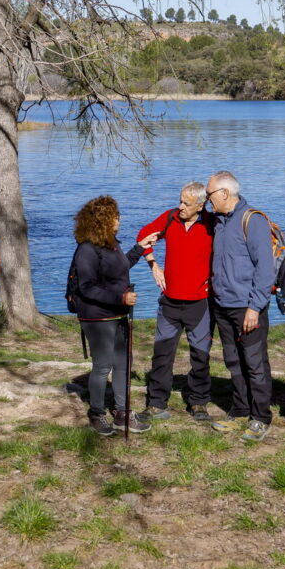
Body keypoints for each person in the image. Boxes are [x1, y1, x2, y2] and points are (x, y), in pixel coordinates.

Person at [71, 196, 160, 436]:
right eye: (115, 216)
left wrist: (140, 248)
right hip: (97, 317)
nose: (119, 219)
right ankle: (97, 413)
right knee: (103, 366)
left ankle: (122, 413)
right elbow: (87, 287)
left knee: (123, 363)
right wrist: (120, 298)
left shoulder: (112, 244)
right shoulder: (87, 249)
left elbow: (119, 269)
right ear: (102, 220)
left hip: (118, 314)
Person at [135, 182, 215, 423]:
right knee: (162, 354)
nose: (180, 206)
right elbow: (143, 236)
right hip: (169, 302)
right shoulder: (170, 218)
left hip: (200, 303)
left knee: (200, 356)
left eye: (186, 203)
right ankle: (156, 403)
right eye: (180, 200)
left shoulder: (213, 224)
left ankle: (199, 403)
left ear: (200, 206)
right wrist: (153, 265)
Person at [205, 171, 276, 442]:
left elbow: (265, 269)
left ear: (224, 193)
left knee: (255, 363)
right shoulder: (219, 221)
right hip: (222, 305)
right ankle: (239, 410)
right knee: (233, 361)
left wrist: (254, 307)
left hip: (247, 307)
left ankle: (260, 417)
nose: (207, 200)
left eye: (210, 194)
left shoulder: (253, 220)